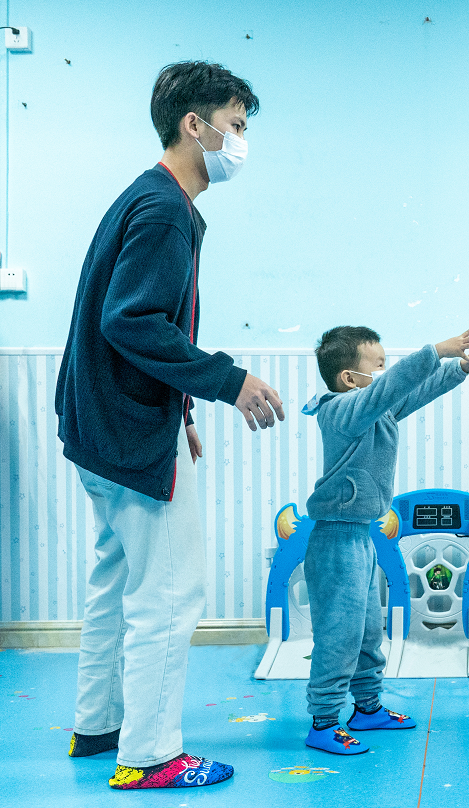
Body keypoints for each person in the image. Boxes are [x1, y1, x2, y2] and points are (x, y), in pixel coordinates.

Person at [55, 61, 285, 790]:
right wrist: (226, 381)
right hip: (127, 432)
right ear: (196, 125)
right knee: (170, 592)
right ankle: (151, 755)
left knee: (116, 579)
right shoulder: (163, 210)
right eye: (235, 125)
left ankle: (99, 725)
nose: (240, 141)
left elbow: (135, 322)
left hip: (104, 426)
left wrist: (178, 407)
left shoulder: (147, 198)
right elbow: (132, 321)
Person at [301, 324, 469, 754]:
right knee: (340, 635)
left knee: (368, 631)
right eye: (378, 366)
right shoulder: (339, 411)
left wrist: (460, 368)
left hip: (360, 538)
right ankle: (324, 721)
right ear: (349, 378)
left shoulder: (374, 410)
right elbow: (393, 386)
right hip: (335, 541)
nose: (385, 373)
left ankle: (367, 708)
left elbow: (412, 392)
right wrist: (436, 351)